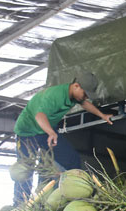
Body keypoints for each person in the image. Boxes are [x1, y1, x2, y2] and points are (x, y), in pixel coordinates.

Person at [13, 73, 113, 203]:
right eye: (85, 93)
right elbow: (39, 116)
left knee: (71, 158)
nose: (86, 97)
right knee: (25, 170)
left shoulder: (74, 96)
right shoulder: (54, 96)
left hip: (45, 130)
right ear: (76, 86)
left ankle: (77, 194)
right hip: (27, 132)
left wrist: (102, 115)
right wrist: (51, 132)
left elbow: (85, 104)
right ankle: (20, 205)